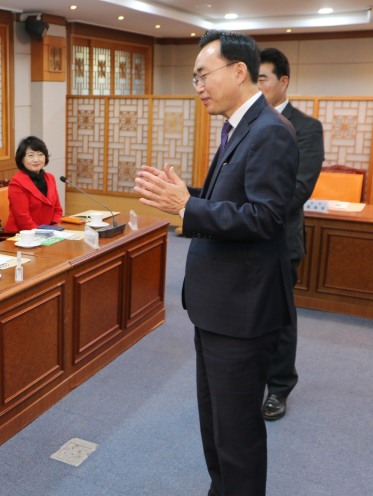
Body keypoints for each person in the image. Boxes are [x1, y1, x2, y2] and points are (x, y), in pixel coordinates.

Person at [134, 30, 298, 496]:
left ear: (239, 71)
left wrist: (188, 206)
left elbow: (266, 218)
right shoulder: (238, 127)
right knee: (217, 423)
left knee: (238, 432)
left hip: (243, 311)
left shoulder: (269, 132)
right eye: (194, 78)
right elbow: (234, 203)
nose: (198, 86)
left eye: (203, 75)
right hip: (220, 305)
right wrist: (190, 199)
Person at [258, 47, 325, 421]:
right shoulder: (243, 124)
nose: (257, 85)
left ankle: (279, 387)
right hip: (243, 239)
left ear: (283, 82)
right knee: (249, 316)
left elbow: (298, 190)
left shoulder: (306, 127)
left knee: (280, 317)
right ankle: (250, 380)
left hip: (281, 240)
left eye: (263, 78)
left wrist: (246, 213)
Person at [4, 136, 63, 232]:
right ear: (22, 159)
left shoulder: (50, 178)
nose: (36, 159)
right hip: (21, 235)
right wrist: (42, 233)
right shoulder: (17, 183)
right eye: (30, 155)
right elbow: (23, 219)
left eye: (40, 154)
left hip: (48, 233)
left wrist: (53, 228)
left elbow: (57, 209)